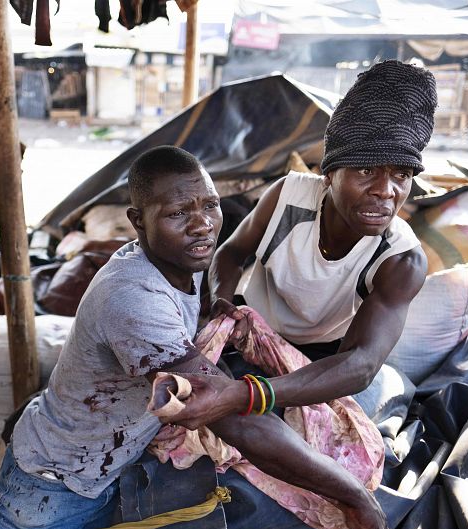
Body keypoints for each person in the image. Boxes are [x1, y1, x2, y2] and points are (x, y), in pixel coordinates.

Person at [0, 146, 387, 529]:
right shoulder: (134, 298)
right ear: (138, 220)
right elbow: (238, 423)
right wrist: (353, 495)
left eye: (210, 206)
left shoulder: (180, 260)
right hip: (52, 487)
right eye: (178, 213)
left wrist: (220, 319)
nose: (202, 225)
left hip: (108, 466)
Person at [159, 60, 435, 431]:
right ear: (329, 173)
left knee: (307, 432)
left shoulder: (400, 259)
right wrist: (222, 306)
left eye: (401, 174)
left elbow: (360, 364)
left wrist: (246, 395)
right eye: (367, 170)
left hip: (323, 361)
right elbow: (231, 254)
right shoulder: (287, 198)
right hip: (250, 336)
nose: (386, 191)